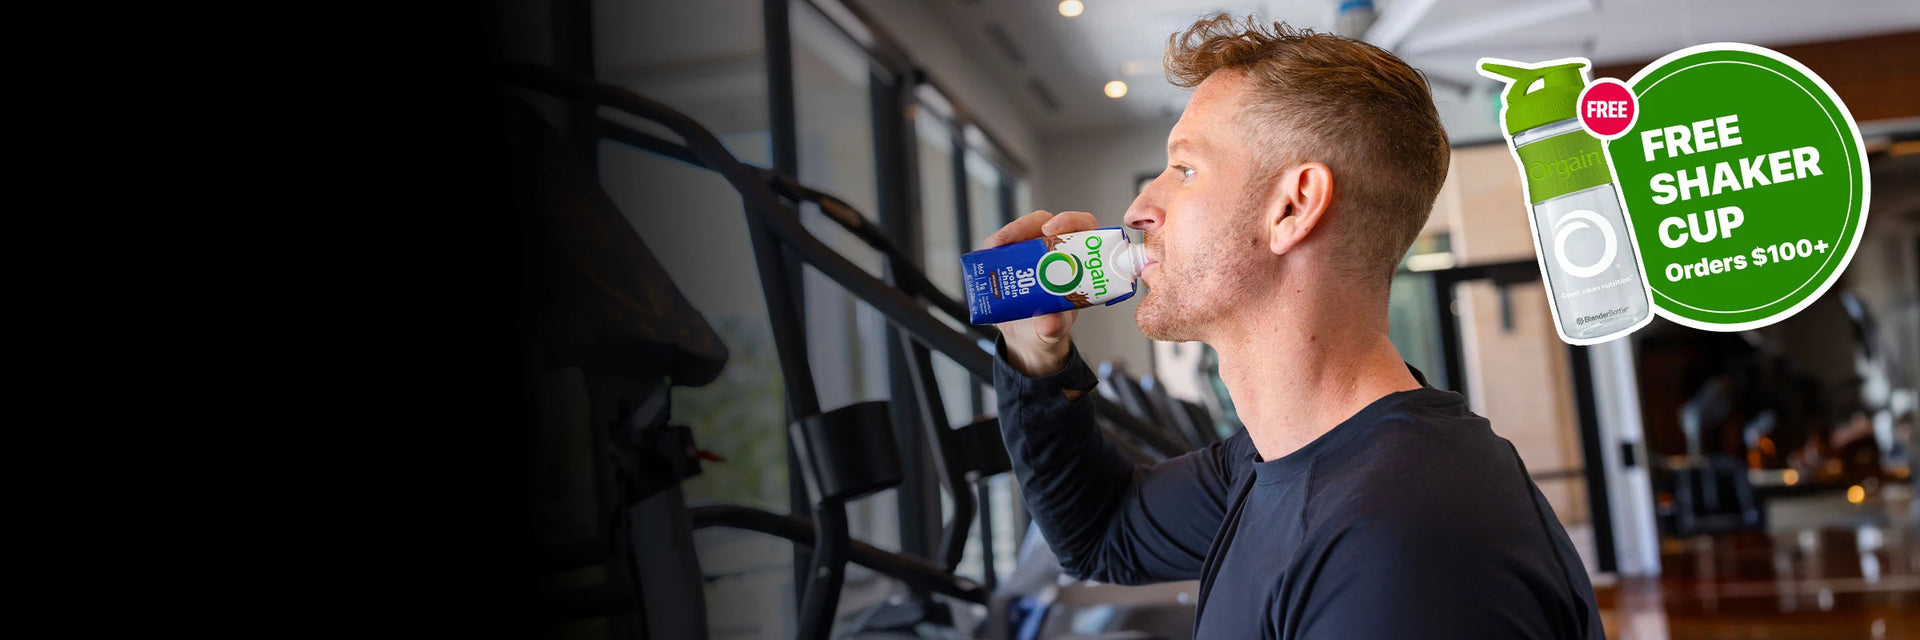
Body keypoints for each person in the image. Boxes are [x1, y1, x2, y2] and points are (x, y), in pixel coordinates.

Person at [985, 14, 1604, 638]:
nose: (1139, 209)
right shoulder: (1271, 460)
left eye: (1186, 170)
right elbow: (1102, 534)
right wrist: (1033, 354)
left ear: (1293, 206)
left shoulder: (1403, 542)